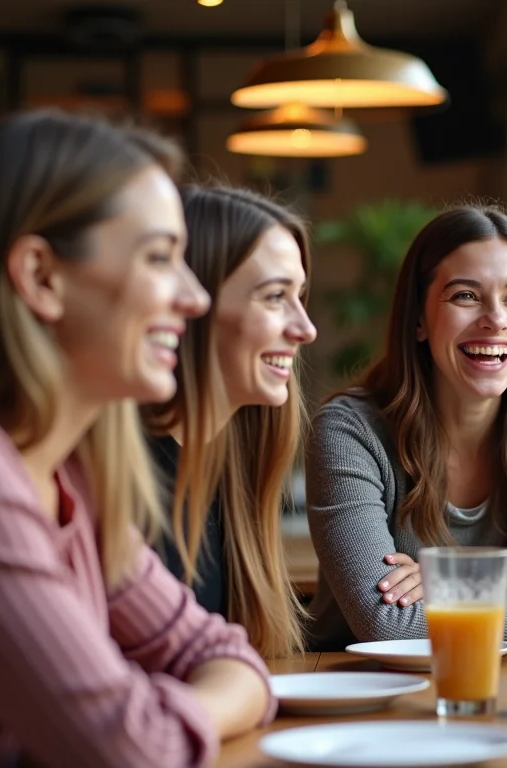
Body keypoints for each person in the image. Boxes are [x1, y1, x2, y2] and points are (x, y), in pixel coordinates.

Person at [0, 111, 273, 766]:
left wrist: (152, 705)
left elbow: (229, 656)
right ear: (42, 276)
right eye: (159, 258)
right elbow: (132, 749)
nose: (194, 297)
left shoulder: (73, 477)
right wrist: (156, 711)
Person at [305, 204, 507, 650]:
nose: (496, 319)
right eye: (465, 295)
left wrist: (451, 587)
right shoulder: (350, 433)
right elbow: (386, 626)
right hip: (367, 694)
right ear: (419, 319)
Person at [143, 184, 318, 659]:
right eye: (275, 296)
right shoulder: (126, 480)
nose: (305, 328)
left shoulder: (229, 468)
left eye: (299, 296)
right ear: (190, 303)